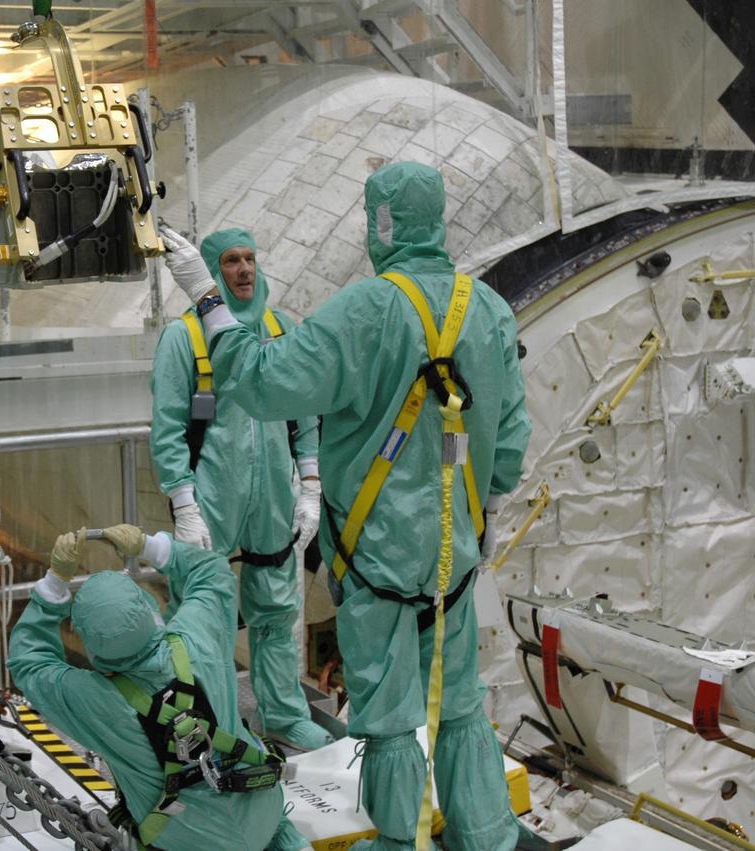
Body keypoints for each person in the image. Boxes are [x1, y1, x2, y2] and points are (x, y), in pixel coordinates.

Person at [159, 161, 531, 851]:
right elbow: (509, 432)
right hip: (454, 555)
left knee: (389, 716)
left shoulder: (364, 312)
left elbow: (260, 380)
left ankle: (399, 840)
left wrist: (206, 297)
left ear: (380, 224)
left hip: (378, 556)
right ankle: (485, 835)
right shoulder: (488, 309)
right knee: (459, 702)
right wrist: (491, 508)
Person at [8, 526, 310, 851]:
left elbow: (28, 662)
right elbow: (213, 572)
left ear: (89, 643)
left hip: (187, 840)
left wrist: (54, 584)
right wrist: (149, 546)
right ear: (148, 608)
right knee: (263, 799)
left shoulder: (92, 699)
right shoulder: (197, 637)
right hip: (261, 808)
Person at [150, 227, 331, 752]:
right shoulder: (184, 338)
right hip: (211, 489)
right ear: (211, 270)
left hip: (272, 491)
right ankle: (210, 723)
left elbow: (303, 412)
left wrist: (310, 484)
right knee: (201, 609)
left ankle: (284, 716)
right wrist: (184, 503)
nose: (245, 270)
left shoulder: (279, 329)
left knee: (277, 607)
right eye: (231, 261)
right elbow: (167, 429)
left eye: (250, 259)